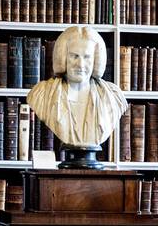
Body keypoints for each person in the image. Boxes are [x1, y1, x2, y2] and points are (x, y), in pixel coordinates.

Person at [26, 25, 128, 162]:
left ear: (96, 60)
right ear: (63, 58)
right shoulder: (41, 94)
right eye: (74, 56)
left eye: (87, 57)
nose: (80, 64)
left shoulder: (113, 97)